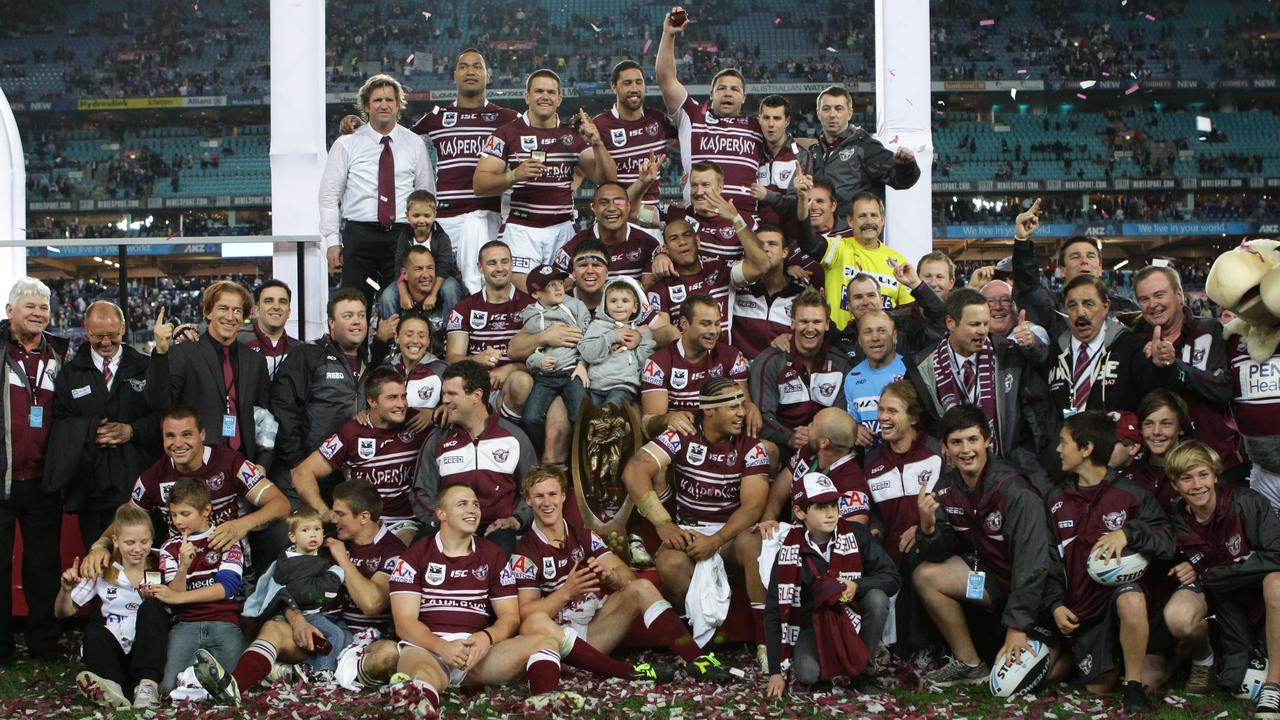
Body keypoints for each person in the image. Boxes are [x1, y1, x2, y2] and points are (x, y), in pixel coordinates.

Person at [191, 481, 406, 703]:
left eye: (340, 514)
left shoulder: (393, 549)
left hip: (363, 642)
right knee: (272, 628)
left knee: (389, 654)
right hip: (316, 632)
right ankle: (234, 685)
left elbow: (371, 604)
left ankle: (306, 674)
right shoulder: (321, 538)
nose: (332, 519)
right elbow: (287, 585)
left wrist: (342, 559)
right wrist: (297, 620)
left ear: (363, 517)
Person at [511, 465, 730, 682]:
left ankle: (697, 660)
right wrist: (566, 592)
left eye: (552, 494)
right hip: (558, 643)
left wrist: (612, 578)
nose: (547, 502)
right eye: (539, 496)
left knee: (641, 587)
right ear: (528, 500)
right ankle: (624, 670)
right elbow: (527, 613)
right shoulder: (525, 550)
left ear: (563, 497)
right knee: (536, 621)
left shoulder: (584, 536)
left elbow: (627, 576)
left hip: (594, 633)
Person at [388, 483, 574, 714]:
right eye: (462, 504)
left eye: (475, 504)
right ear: (441, 514)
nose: (473, 510)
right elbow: (404, 622)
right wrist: (442, 646)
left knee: (544, 642)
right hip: (429, 650)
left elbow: (510, 617)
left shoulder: (492, 554)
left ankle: (546, 703)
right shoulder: (415, 555)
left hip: (477, 653)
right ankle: (421, 708)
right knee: (421, 674)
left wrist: (486, 638)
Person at [623, 378, 771, 667]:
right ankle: (693, 645)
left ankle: (764, 642)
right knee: (669, 563)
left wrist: (716, 541)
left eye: (743, 404)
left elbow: (753, 507)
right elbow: (634, 470)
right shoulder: (681, 435)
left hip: (729, 536)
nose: (743, 412)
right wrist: (662, 523)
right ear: (710, 411)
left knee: (753, 543)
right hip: (689, 529)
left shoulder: (753, 448)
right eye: (733, 407)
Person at [913, 404, 1059, 686]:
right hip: (994, 581)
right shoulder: (946, 487)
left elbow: (1034, 564)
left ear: (987, 441)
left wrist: (1018, 627)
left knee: (1028, 682)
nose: (966, 450)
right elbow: (939, 553)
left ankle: (1058, 651)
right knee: (925, 575)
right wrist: (928, 526)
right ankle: (970, 664)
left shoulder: (1015, 491)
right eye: (956, 442)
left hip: (1042, 594)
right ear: (944, 447)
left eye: (973, 439)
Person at [1042, 412, 1173, 712]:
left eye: (1064, 443)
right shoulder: (1056, 498)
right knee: (1095, 687)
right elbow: (1047, 559)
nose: (1059, 449)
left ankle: (1134, 687)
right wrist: (1054, 605)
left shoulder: (1130, 495)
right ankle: (1110, 658)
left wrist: (1128, 533)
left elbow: (1166, 541)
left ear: (1086, 448)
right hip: (1082, 612)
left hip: (1122, 603)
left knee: (1130, 596)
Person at [80, 407, 289, 575]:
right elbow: (127, 516)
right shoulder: (153, 476)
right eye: (170, 436)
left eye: (186, 435)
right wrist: (99, 545)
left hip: (231, 567)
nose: (178, 443)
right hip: (180, 572)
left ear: (202, 434)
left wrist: (242, 525)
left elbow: (281, 504)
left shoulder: (230, 462)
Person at [1162, 441, 1280, 718]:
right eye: (1186, 478)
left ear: (1215, 475)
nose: (1197, 485)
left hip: (1263, 599)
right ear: (1175, 485)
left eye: (1203, 474)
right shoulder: (1176, 520)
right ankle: (1205, 661)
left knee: (1277, 583)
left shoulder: (1247, 503)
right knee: (1234, 681)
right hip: (1225, 607)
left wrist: (1218, 573)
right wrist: (1182, 564)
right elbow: (1158, 546)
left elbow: (1277, 554)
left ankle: (1273, 685)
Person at [472, 69, 617, 287]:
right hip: (522, 229)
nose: (545, 96)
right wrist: (514, 174)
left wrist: (597, 142)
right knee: (526, 298)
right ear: (527, 96)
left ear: (559, 98)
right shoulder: (506, 133)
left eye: (551, 92)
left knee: (566, 295)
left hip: (563, 229)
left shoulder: (573, 136)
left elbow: (607, 180)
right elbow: (480, 184)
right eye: (538, 90)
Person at [763, 471, 900, 696]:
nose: (831, 513)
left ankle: (863, 674)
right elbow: (773, 610)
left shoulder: (856, 534)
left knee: (877, 599)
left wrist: (857, 586)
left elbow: (892, 577)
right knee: (807, 674)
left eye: (834, 505)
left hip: (851, 619)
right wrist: (775, 671)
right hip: (813, 627)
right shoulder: (788, 551)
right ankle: (829, 664)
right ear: (799, 511)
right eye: (820, 506)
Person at [907, 288, 1056, 488]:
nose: (982, 331)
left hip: (1009, 467)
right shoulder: (921, 366)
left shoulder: (1008, 354)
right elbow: (921, 427)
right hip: (950, 476)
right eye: (975, 324)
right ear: (951, 323)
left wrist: (1034, 463)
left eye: (986, 324)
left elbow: (1038, 414)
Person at [46, 300, 158, 549]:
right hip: (91, 489)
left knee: (140, 558)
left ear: (123, 329)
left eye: (111, 334)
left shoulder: (146, 368)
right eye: (98, 335)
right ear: (86, 331)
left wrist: (132, 431)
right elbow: (59, 423)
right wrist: (89, 431)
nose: (105, 342)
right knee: (97, 561)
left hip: (137, 486)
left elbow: (162, 418)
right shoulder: (70, 374)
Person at [409, 48, 519, 293]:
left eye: (477, 66)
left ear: (488, 76)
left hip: (483, 214)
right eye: (464, 66)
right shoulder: (436, 119)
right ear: (454, 75)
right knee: (433, 288)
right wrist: (361, 128)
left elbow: (542, 137)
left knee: (478, 283)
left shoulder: (508, 119)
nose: (471, 71)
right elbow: (399, 143)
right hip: (443, 218)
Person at [321, 74, 435, 306]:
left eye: (389, 100)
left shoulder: (414, 144)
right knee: (354, 305)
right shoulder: (346, 144)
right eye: (377, 100)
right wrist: (332, 241)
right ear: (366, 106)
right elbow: (329, 197)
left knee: (400, 305)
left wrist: (423, 239)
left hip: (401, 237)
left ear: (398, 105)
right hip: (359, 237)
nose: (384, 105)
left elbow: (426, 194)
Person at [1, 277, 70, 665]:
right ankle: (1, 649)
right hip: (2, 480)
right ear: (10, 311)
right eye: (29, 306)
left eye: (43, 308)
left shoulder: (59, 356)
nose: (38, 313)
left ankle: (44, 643)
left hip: (44, 484)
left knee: (43, 568)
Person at [291, 367, 429, 544]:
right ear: (372, 401)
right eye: (392, 398)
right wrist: (324, 512)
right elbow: (302, 473)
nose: (401, 404)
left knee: (402, 548)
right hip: (359, 525)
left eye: (403, 396)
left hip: (404, 523)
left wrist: (432, 413)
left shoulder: (417, 422)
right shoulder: (351, 432)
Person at [1132, 265, 1243, 483]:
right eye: (1144, 299)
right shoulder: (1134, 342)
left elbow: (1224, 389)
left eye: (1159, 294)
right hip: (1158, 469)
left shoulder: (1211, 330)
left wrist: (1176, 366)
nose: (1152, 304)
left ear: (1180, 294)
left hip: (1216, 464)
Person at [272, 287, 383, 505]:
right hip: (308, 470)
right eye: (348, 316)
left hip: (350, 476)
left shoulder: (370, 363)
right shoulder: (309, 355)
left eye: (361, 315)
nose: (357, 322)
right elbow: (283, 408)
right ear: (331, 323)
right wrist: (296, 461)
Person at [414, 361, 537, 553]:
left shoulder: (514, 437)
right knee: (418, 547)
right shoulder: (437, 440)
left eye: (452, 394)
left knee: (498, 551)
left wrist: (516, 520)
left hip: (498, 530)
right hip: (448, 528)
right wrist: (442, 521)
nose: (444, 400)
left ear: (476, 395)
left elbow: (532, 489)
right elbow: (422, 493)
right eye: (444, 394)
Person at [656, 6, 764, 221]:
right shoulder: (693, 115)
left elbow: (789, 143)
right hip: (699, 222)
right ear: (711, 94)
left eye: (735, 89)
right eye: (722, 88)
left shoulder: (758, 126)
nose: (728, 93)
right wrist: (668, 35)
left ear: (744, 97)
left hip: (746, 223)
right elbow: (666, 80)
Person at [55, 505, 167, 710]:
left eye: (144, 542)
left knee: (152, 608)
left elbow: (179, 599)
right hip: (114, 651)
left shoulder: (163, 561)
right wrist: (65, 590)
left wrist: (184, 567)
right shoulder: (102, 567)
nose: (137, 549)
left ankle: (147, 685)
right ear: (115, 541)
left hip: (146, 653)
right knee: (93, 631)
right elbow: (63, 612)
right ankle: (113, 689)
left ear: (152, 539)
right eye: (129, 542)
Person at [147, 280, 270, 462]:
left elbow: (263, 415)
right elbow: (160, 403)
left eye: (237, 311)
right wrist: (161, 353)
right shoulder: (184, 353)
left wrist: (262, 463)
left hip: (243, 461)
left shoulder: (254, 360)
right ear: (208, 312)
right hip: (198, 462)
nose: (230, 317)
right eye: (223, 308)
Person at [150, 477, 247, 695]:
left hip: (224, 622)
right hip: (186, 625)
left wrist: (177, 598)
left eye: (185, 514)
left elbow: (226, 588)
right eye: (174, 515)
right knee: (166, 688)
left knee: (231, 687)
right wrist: (183, 566)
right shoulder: (170, 547)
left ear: (206, 510)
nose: (178, 521)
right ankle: (193, 684)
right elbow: (171, 593)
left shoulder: (225, 539)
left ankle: (194, 685)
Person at [231, 507, 348, 677]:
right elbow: (305, 593)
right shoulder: (292, 563)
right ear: (292, 537)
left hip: (318, 614)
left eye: (317, 529)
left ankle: (301, 668)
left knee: (344, 636)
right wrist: (336, 573)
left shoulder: (312, 556)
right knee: (335, 634)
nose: (312, 535)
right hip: (304, 614)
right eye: (305, 530)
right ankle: (322, 672)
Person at [1010, 198, 1138, 341]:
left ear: (1100, 267)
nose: (1084, 261)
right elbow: (1028, 287)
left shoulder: (1126, 309)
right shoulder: (1052, 307)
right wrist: (1022, 241)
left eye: (1090, 256)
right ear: (1062, 270)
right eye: (1075, 256)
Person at [639, 294, 756, 439]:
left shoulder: (731, 356)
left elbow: (744, 404)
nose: (714, 331)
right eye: (705, 324)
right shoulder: (658, 363)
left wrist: (750, 408)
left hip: (723, 441)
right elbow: (648, 425)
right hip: (679, 442)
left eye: (717, 323)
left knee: (770, 450)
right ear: (684, 324)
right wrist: (668, 419)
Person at [795, 187, 915, 327]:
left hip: (878, 342)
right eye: (862, 216)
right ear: (850, 221)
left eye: (874, 215)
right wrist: (803, 200)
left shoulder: (898, 262)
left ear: (882, 220)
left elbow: (909, 311)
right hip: (840, 342)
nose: (869, 221)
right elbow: (808, 242)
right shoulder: (837, 248)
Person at [749, 288, 851, 453]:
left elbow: (842, 416)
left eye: (817, 322)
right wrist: (788, 437)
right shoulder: (770, 361)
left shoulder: (841, 363)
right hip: (783, 448)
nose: (810, 328)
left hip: (828, 448)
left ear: (826, 324)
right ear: (793, 323)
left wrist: (817, 437)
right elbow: (761, 415)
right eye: (804, 321)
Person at [445, 240, 536, 421]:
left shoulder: (531, 306)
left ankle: (502, 432)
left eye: (504, 262)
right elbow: (452, 358)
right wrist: (475, 361)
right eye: (492, 263)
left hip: (516, 384)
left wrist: (510, 368)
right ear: (480, 267)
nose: (499, 268)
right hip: (475, 384)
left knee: (521, 381)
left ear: (512, 264)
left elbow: (542, 357)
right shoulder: (464, 308)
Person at [804, 85, 919, 222]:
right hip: (823, 238)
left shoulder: (866, 147)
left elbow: (900, 180)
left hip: (856, 236)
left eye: (839, 109)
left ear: (850, 113)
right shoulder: (814, 151)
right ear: (818, 113)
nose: (832, 114)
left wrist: (906, 167)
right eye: (826, 109)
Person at [1046, 275, 1154, 416]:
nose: (1080, 312)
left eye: (1088, 304)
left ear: (1105, 307)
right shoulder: (1054, 352)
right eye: (1072, 305)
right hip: (1065, 437)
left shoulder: (1131, 347)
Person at [758, 408, 874, 538]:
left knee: (746, 542)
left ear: (824, 442)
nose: (808, 427)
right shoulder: (807, 452)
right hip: (793, 536)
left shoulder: (852, 481)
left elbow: (853, 535)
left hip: (820, 552)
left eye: (812, 424)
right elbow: (782, 484)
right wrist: (768, 517)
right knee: (748, 538)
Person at [591, 60, 678, 215]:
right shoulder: (599, 125)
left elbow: (685, 145)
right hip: (616, 215)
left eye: (639, 82)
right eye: (627, 83)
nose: (634, 88)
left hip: (650, 216)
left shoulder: (657, 119)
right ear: (614, 87)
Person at [519, 264, 590, 446]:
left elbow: (589, 338)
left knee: (581, 416)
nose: (559, 287)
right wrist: (538, 361)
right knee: (530, 418)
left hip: (572, 371)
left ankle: (578, 457)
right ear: (536, 294)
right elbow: (530, 351)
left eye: (560, 282)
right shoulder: (530, 316)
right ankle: (540, 453)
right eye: (551, 285)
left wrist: (582, 365)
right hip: (545, 376)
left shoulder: (575, 305)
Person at [728, 225, 811, 360]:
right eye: (759, 245)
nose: (765, 248)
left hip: (777, 374)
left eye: (772, 244)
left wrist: (793, 338)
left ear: (784, 252)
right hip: (737, 373)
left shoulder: (801, 295)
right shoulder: (736, 287)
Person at [553, 181, 662, 284]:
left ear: (628, 206)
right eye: (604, 203)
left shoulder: (648, 244)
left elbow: (649, 292)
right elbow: (558, 287)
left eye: (619, 202)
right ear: (593, 207)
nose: (611, 208)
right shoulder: (575, 245)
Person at [579, 277, 658, 406]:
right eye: (613, 301)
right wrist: (611, 336)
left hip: (624, 385)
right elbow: (588, 354)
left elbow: (644, 362)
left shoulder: (641, 332)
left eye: (625, 301)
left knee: (610, 410)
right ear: (605, 305)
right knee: (592, 419)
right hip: (595, 386)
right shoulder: (597, 326)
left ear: (635, 307)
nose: (619, 305)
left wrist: (644, 340)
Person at [842, 310, 907, 446]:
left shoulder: (910, 370)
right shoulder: (852, 378)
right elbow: (853, 421)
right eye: (867, 332)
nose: (875, 338)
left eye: (882, 331)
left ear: (894, 336)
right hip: (872, 461)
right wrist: (856, 429)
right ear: (859, 340)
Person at [750, 95, 808, 241]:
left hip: (791, 241)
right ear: (759, 119)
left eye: (776, 118)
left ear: (787, 121)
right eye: (766, 118)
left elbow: (798, 205)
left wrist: (768, 196)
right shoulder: (752, 153)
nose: (770, 124)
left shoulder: (800, 155)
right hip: (757, 240)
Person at [1124, 389, 1191, 513]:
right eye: (1148, 424)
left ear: (1180, 428)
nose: (1156, 432)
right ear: (1141, 429)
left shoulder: (1197, 471)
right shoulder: (1129, 473)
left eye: (1166, 424)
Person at [385, 313, 447, 412]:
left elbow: (457, 407)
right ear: (397, 337)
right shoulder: (385, 370)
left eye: (421, 336)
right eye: (409, 335)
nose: (415, 341)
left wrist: (433, 414)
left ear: (428, 341)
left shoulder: (442, 371)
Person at [238, 280, 298, 380]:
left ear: (289, 312)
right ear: (256, 311)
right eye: (269, 301)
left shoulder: (299, 350)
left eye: (282, 302)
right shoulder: (237, 342)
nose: (276, 307)